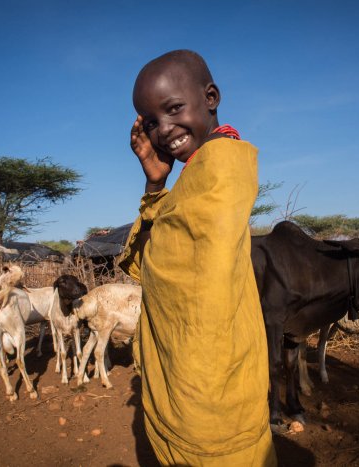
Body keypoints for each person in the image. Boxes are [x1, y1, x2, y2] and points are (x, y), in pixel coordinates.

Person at [119, 50, 276, 466]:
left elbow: (156, 262)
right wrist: (156, 182)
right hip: (192, 388)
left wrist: (158, 202)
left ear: (210, 97)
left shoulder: (223, 165)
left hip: (212, 399)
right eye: (151, 121)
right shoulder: (195, 176)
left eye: (173, 109)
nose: (164, 130)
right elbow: (148, 261)